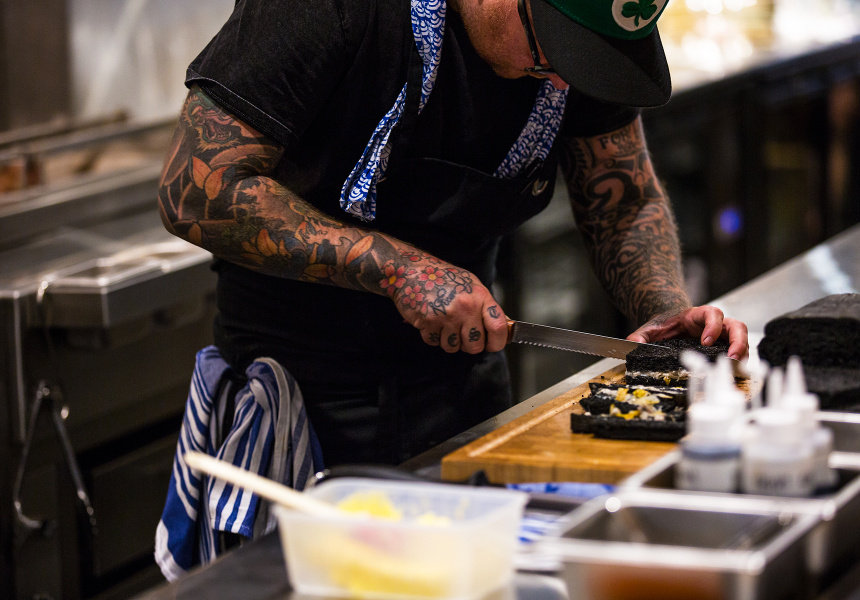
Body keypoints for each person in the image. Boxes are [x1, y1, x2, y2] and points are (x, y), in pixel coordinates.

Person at [157, 0, 749, 468]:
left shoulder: (572, 46)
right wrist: (400, 270)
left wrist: (664, 311)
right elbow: (195, 187)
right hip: (297, 399)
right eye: (550, 49)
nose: (563, 80)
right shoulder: (333, 8)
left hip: (465, 387)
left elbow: (623, 198)